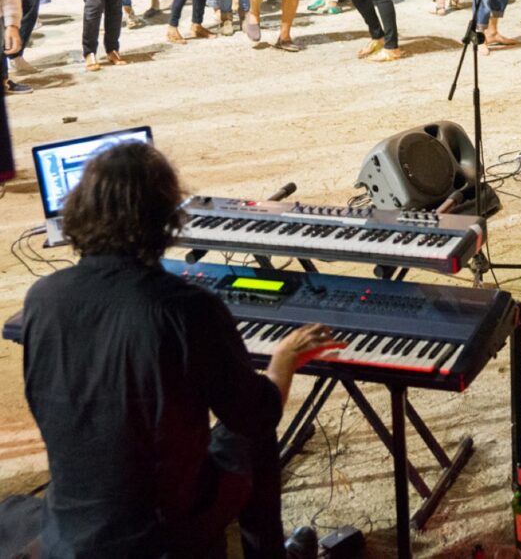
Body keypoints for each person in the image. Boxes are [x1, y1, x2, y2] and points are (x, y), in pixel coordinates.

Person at [21, 141, 342, 557]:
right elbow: (256, 413)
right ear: (166, 218)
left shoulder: (42, 298)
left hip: (70, 530)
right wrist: (283, 360)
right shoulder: (185, 307)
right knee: (251, 435)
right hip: (162, 536)